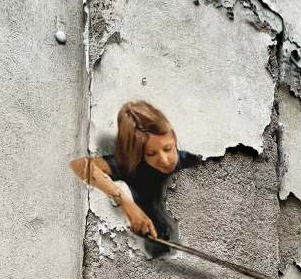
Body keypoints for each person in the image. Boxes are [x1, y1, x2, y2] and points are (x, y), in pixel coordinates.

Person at [69, 100, 202, 257]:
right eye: (151, 154)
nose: (165, 160)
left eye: (168, 148)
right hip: (158, 259)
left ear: (173, 137)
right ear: (139, 153)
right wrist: (126, 204)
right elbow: (79, 165)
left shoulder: (193, 162)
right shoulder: (132, 168)